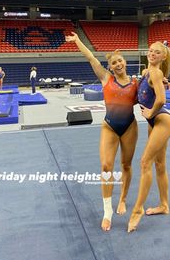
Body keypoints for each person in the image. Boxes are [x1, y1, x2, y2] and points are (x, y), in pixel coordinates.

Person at [66, 32, 138, 232]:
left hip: (130, 127)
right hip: (110, 127)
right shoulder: (106, 79)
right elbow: (90, 57)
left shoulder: (135, 83)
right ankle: (108, 211)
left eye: (120, 61)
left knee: (126, 164)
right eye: (114, 62)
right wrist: (77, 40)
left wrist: (163, 86)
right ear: (110, 67)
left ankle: (123, 199)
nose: (118, 64)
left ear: (125, 62)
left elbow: (148, 95)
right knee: (106, 167)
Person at [128, 41, 170, 232]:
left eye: (157, 52)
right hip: (154, 123)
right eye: (151, 51)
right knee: (159, 165)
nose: (152, 54)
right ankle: (164, 205)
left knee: (145, 162)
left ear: (163, 57)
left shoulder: (155, 72)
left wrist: (149, 112)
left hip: (162, 121)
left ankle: (137, 211)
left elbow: (162, 100)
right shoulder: (148, 73)